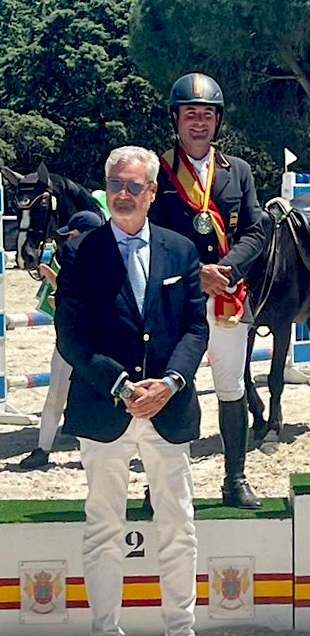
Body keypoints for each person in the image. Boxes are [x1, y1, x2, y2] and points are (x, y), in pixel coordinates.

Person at [55, 146, 208, 636]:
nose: (123, 194)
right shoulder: (79, 252)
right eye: (115, 185)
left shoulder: (181, 250)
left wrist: (170, 382)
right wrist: (120, 385)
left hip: (168, 406)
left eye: (133, 186)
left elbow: (195, 329)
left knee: (179, 526)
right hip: (105, 406)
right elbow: (71, 335)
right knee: (103, 527)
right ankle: (105, 629)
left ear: (151, 192)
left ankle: (180, 629)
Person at [149, 72, 266, 508]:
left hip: (226, 296)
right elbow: (149, 235)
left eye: (206, 115)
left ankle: (235, 478)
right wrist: (196, 272)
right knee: (166, 384)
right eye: (190, 114)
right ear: (176, 120)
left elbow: (256, 230)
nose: (198, 123)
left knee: (230, 385)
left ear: (218, 122)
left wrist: (228, 270)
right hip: (174, 297)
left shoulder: (240, 172)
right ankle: (158, 484)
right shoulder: (155, 171)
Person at [17, 211, 104, 470]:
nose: (69, 241)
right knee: (56, 393)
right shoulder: (73, 260)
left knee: (81, 395)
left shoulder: (105, 263)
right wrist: (52, 279)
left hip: (89, 341)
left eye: (74, 235)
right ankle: (42, 448)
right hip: (70, 338)